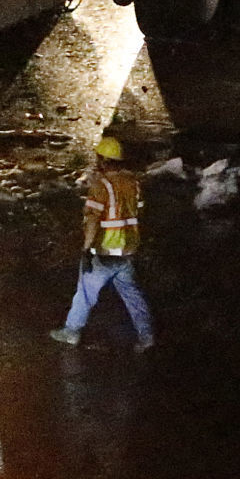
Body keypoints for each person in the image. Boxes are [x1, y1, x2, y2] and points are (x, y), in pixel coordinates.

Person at [51, 134, 154, 350]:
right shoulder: (133, 183)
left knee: (86, 292)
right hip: (127, 249)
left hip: (105, 251)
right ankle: (146, 336)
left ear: (104, 161)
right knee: (132, 295)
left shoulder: (100, 186)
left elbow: (92, 220)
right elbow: (140, 212)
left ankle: (71, 331)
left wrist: (87, 249)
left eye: (99, 158)